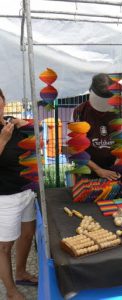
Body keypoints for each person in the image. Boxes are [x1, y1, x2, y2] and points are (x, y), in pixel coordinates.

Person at [0, 89, 38, 300]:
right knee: (4, 246)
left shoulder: (10, 123)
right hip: (4, 197)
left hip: (25, 190)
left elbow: (38, 137)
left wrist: (24, 124)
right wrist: (3, 140)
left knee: (27, 233)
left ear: (4, 100)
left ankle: (21, 272)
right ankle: (11, 291)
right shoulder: (5, 132)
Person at [73, 73, 121, 181]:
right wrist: (98, 170)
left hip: (112, 169)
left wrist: (118, 164)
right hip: (88, 169)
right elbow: (75, 149)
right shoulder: (80, 112)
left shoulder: (118, 112)